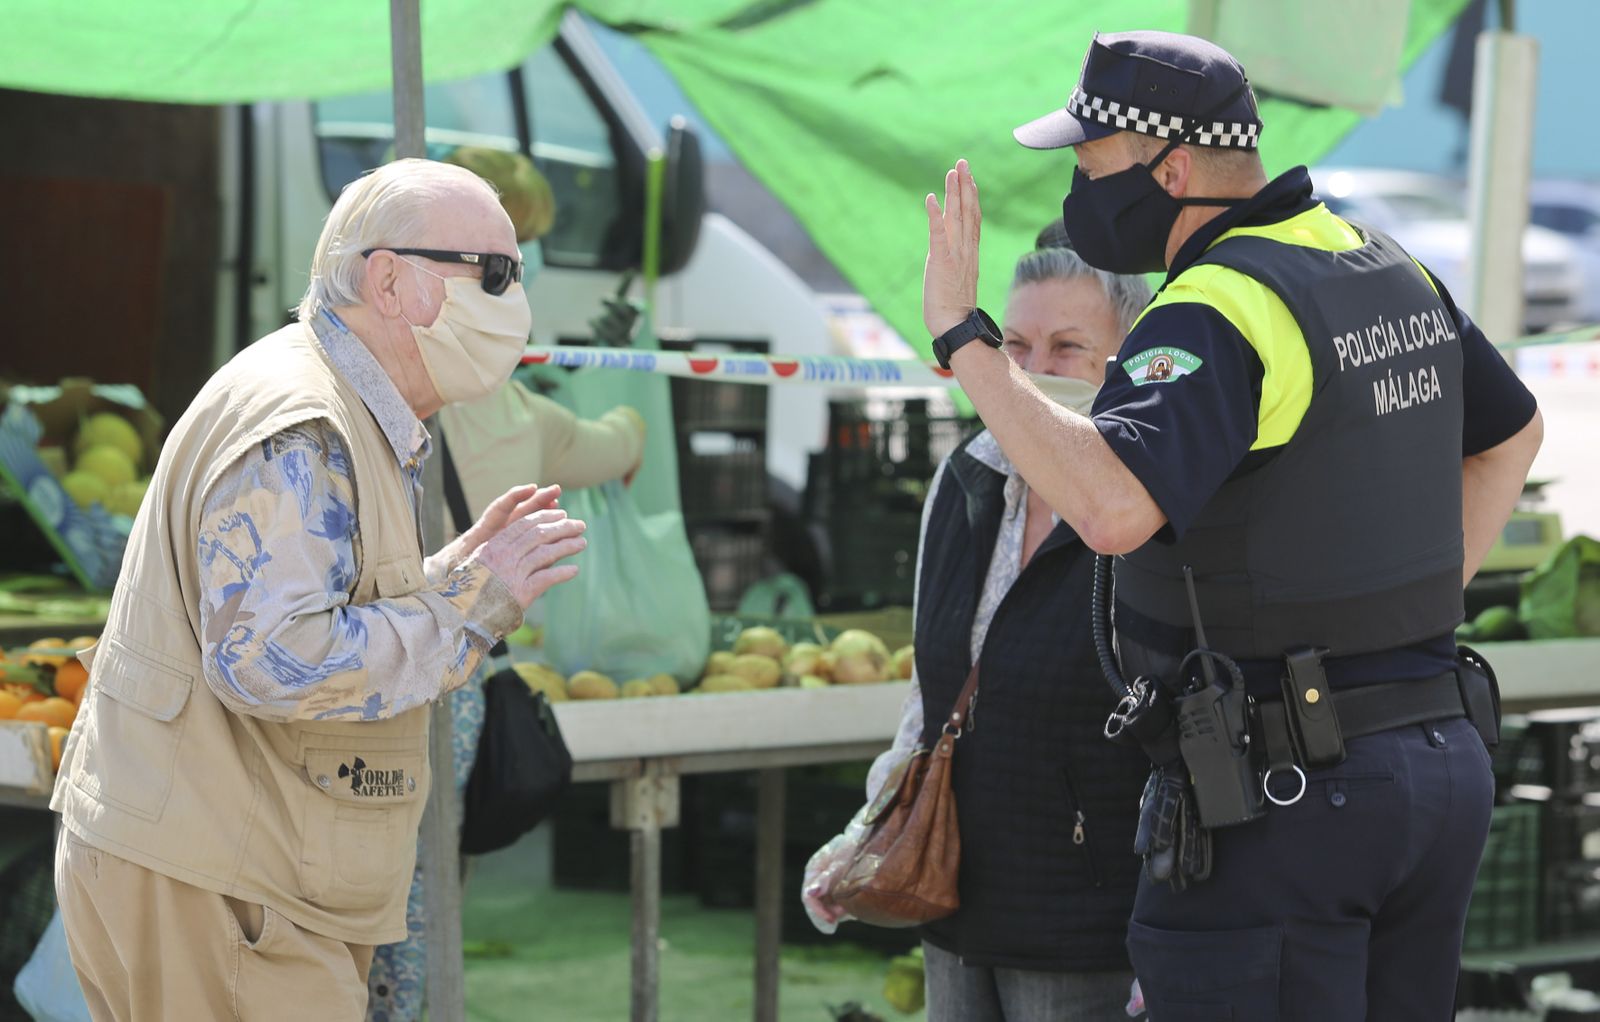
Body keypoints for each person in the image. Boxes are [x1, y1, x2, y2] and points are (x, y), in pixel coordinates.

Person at [920, 30, 1544, 1021]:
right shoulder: (1383, 265)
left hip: (1289, 795)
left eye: (1091, 166)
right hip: (1434, 762)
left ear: (1169, 169)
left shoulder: (1216, 307)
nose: (1079, 197)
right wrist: (1407, 612)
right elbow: (1511, 436)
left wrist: (967, 341)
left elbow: (1112, 506)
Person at [52, 158, 589, 1022]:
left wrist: (453, 575)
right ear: (389, 281)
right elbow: (270, 660)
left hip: (234, 880)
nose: (513, 298)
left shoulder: (339, 403)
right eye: (493, 272)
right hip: (227, 890)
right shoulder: (303, 423)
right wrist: (468, 611)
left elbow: (318, 603)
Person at [803, 237, 1154, 1020]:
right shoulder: (968, 474)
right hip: (954, 891)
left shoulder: (1141, 498)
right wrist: (869, 831)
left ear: (1125, 359)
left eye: (1068, 347)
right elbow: (931, 697)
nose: (1033, 367)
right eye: (1015, 345)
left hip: (1089, 914)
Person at [365, 364, 645, 1022]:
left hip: (373, 665)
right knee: (425, 877)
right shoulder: (527, 417)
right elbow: (618, 445)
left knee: (372, 874)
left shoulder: (385, 399)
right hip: (461, 676)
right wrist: (632, 418)